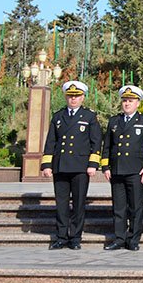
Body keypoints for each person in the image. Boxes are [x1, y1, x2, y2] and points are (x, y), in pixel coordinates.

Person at [42, 80, 102, 250]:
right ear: (66, 97)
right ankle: (61, 237)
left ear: (83, 97)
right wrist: (47, 164)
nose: (73, 99)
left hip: (80, 167)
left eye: (76, 96)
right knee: (61, 204)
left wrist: (93, 164)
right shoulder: (58, 116)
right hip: (60, 166)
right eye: (70, 96)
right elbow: (50, 142)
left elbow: (96, 142)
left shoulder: (89, 116)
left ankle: (75, 237)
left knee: (78, 203)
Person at [101, 84, 143, 251]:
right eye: (125, 100)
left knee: (135, 207)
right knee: (118, 207)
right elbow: (107, 147)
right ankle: (119, 238)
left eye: (131, 101)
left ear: (138, 103)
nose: (127, 103)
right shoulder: (114, 121)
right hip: (117, 170)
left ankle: (133, 239)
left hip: (135, 170)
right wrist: (105, 167)